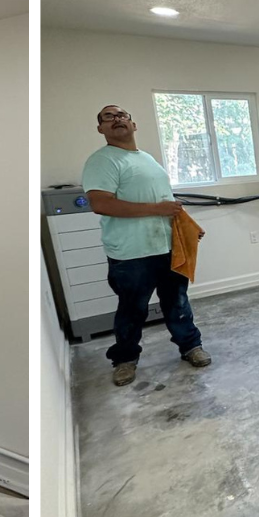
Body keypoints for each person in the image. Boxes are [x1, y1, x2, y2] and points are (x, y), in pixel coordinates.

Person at [81, 104, 210, 386]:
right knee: (132, 309)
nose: (116, 119)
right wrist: (157, 209)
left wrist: (186, 230)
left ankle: (191, 346)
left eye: (122, 115)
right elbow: (100, 204)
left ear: (134, 124)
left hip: (166, 247)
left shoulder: (147, 159)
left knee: (177, 303)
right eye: (108, 117)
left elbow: (166, 203)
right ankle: (125, 359)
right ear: (100, 129)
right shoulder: (103, 161)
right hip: (131, 254)